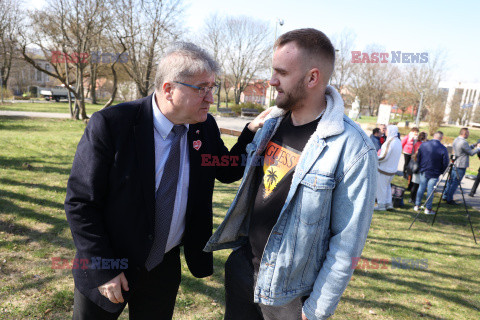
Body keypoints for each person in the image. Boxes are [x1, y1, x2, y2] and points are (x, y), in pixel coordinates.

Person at [64, 42, 269, 319]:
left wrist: (250, 133)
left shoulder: (203, 126)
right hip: (110, 261)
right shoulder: (112, 125)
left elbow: (226, 169)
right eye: (202, 89)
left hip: (163, 265)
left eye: (212, 88)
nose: (210, 98)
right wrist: (103, 267)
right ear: (169, 89)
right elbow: (80, 203)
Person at [204, 28, 377, 320]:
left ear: (312, 78)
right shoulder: (271, 124)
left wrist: (316, 310)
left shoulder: (352, 147)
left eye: (281, 73)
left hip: (291, 297)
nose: (271, 81)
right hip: (244, 273)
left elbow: (347, 243)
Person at [414, 131, 449, 214]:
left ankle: (417, 205)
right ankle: (428, 208)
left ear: (434, 136)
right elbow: (445, 162)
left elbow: (418, 157)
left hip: (424, 169)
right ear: (441, 138)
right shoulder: (443, 148)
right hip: (435, 171)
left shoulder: (424, 144)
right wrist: (441, 171)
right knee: (431, 190)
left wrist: (420, 166)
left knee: (421, 187)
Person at [443, 128, 480, 204]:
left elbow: (465, 149)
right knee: (455, 182)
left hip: (455, 163)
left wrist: (474, 145)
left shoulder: (456, 139)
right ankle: (449, 199)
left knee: (450, 181)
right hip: (461, 165)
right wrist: (479, 148)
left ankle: (445, 196)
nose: (468, 135)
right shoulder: (463, 142)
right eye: (468, 134)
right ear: (465, 134)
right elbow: (471, 153)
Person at [375, 125, 402, 211]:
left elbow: (384, 156)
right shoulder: (398, 141)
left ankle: (381, 205)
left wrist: (375, 158)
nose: (385, 131)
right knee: (387, 187)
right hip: (392, 170)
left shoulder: (390, 142)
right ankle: (388, 204)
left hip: (384, 169)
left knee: (381, 188)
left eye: (387, 130)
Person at [409, 131, 427, 202]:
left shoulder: (416, 143)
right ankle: (413, 198)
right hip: (419, 165)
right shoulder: (423, 145)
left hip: (415, 164)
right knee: (417, 184)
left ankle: (412, 198)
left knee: (414, 183)